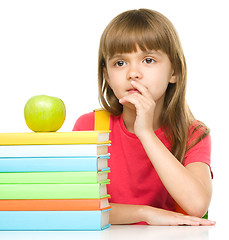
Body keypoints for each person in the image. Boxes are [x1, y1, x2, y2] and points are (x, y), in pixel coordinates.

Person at [73, 9, 215, 226]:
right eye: (120, 63)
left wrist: (146, 133)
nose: (133, 73)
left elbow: (197, 205)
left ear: (174, 71)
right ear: (107, 76)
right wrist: (144, 213)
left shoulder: (193, 133)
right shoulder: (89, 127)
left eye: (148, 60)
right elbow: (79, 206)